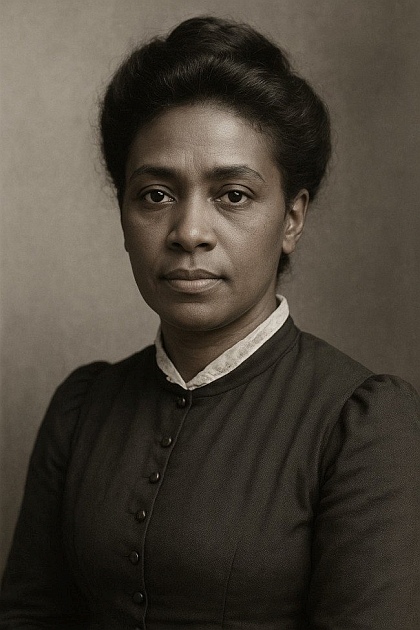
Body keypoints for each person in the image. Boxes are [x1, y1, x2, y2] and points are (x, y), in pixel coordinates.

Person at [1, 15, 419, 630]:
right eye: (156, 194)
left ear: (292, 219)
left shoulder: (361, 424)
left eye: (233, 195)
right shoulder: (81, 408)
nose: (189, 232)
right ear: (123, 215)